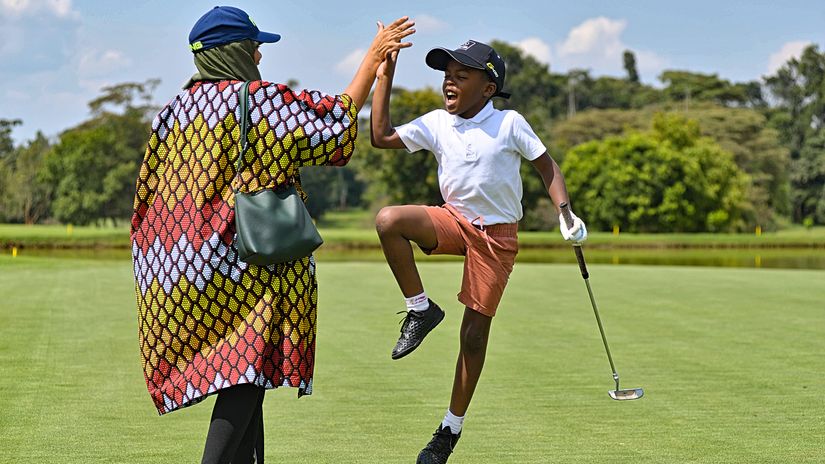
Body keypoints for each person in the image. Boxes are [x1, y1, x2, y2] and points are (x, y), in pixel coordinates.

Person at [130, 6, 414, 463]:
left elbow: (151, 193)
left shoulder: (173, 111)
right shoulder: (258, 101)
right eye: (253, 47)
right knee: (245, 367)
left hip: (178, 267)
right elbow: (335, 123)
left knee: (247, 370)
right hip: (244, 263)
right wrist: (373, 58)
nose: (260, 56)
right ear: (234, 53)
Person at [370, 40, 587, 463]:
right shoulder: (437, 122)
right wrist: (385, 74)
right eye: (447, 75)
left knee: (473, 336)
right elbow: (381, 137)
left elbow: (548, 167)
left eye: (461, 76)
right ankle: (420, 309)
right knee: (388, 220)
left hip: (496, 237)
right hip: (453, 220)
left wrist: (566, 213)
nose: (449, 82)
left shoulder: (509, 123)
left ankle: (449, 429)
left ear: (488, 88)